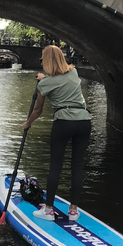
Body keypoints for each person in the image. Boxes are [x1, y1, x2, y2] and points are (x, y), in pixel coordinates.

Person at [22, 45, 92, 222]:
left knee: (56, 165)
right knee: (76, 165)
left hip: (64, 122)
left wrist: (27, 123)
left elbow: (37, 110)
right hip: (84, 121)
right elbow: (61, 79)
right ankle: (74, 210)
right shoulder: (74, 73)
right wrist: (45, 78)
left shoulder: (44, 84)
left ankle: (48, 210)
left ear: (46, 61)